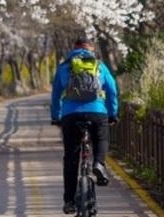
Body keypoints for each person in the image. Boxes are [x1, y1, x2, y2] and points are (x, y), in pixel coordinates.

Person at [50, 36, 119, 215]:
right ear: (91, 49)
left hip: (70, 114)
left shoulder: (64, 67)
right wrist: (112, 114)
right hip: (97, 111)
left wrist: (56, 116)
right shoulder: (99, 65)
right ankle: (99, 163)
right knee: (101, 138)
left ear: (74, 48)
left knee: (71, 158)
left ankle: (69, 201)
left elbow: (56, 94)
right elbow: (112, 91)